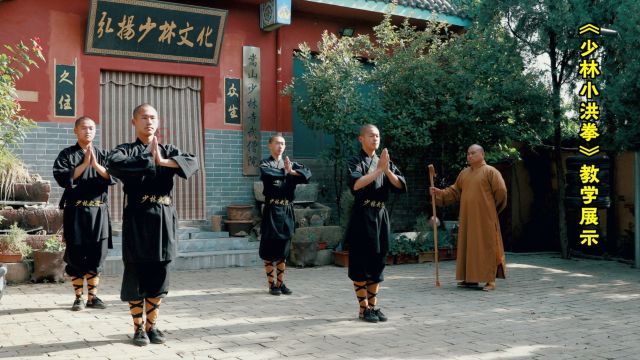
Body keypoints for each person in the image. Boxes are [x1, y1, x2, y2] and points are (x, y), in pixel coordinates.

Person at [107, 104, 198, 346]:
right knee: (136, 270)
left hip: (164, 217)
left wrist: (164, 161)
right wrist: (149, 158)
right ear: (133, 121)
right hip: (137, 216)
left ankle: (152, 325)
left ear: (158, 122)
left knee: (161, 270)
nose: (149, 121)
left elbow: (192, 162)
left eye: (153, 117)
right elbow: (114, 164)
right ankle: (138, 328)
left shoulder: (169, 150)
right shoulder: (125, 150)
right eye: (144, 117)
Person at [345, 124, 406, 323]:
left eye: (378, 136)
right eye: (371, 135)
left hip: (380, 214)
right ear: (361, 138)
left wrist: (386, 171)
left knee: (378, 260)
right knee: (361, 261)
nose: (375, 139)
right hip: (362, 214)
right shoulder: (355, 161)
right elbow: (356, 184)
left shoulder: (384, 162)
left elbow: (400, 185)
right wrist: (378, 170)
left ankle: (373, 306)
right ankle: (363, 309)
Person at [53, 116, 115, 311]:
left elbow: (113, 176)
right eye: (83, 128)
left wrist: (95, 165)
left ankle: (93, 297)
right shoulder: (67, 154)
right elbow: (62, 177)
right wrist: (83, 165)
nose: (88, 131)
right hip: (76, 211)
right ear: (75, 131)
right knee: (76, 253)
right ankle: (78, 297)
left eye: (91, 128)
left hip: (99, 211)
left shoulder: (103, 154)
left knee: (97, 254)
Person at [429, 144, 507, 291]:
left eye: (473, 153)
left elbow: (501, 193)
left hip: (485, 217)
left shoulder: (491, 172)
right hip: (467, 217)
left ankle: (490, 281)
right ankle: (470, 279)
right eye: (468, 153)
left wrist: (491, 209)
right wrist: (439, 192)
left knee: (487, 246)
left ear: (482, 155)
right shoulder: (464, 173)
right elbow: (454, 191)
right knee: (469, 246)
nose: (469, 156)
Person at [259, 135, 311, 295]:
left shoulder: (291, 164)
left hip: (287, 209)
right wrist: (287, 172)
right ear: (270, 145)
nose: (280, 146)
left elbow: (307, 174)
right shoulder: (265, 163)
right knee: (269, 248)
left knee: (284, 247)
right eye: (277, 143)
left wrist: (293, 171)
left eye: (282, 143)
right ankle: (271, 284)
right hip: (272, 209)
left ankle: (280, 283)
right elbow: (269, 174)